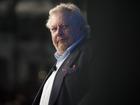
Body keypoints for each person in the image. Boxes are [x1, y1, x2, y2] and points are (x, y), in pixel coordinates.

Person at [32, 3, 95, 105]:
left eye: (64, 26)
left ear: (80, 28)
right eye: (54, 29)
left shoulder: (89, 53)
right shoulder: (59, 63)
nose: (58, 33)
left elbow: (100, 92)